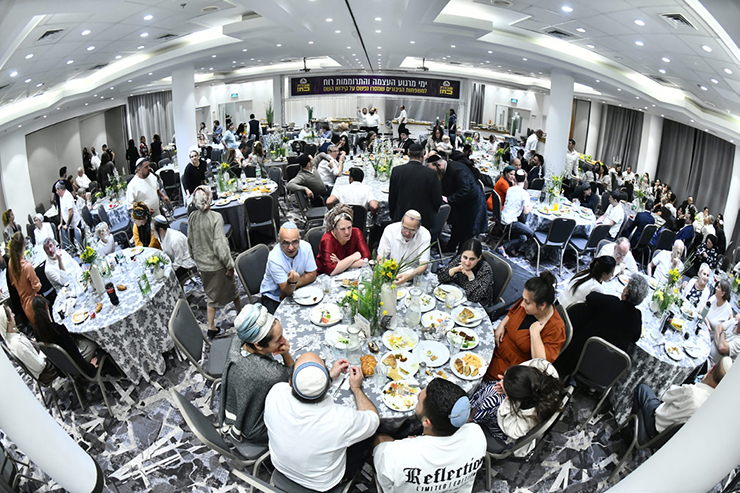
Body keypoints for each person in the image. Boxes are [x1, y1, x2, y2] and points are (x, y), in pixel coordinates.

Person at [263, 352, 380, 492]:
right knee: (367, 438)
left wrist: (326, 377)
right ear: (329, 385)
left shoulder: (276, 392)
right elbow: (373, 419)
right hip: (322, 485)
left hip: (282, 467)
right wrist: (356, 388)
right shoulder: (342, 420)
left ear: (290, 383)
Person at [373, 379, 486, 493]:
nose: (417, 396)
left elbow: (385, 484)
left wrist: (409, 446)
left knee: (380, 439)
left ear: (426, 422)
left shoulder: (394, 454)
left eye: (420, 399)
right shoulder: (477, 434)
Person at [219, 303, 293, 445]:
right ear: (258, 345)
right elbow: (292, 376)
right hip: (255, 428)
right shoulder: (269, 372)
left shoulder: (238, 341)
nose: (284, 340)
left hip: (237, 404)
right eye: (278, 339)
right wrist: (286, 354)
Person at [554, 274, 649, 377]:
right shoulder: (637, 316)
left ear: (626, 292)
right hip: (603, 369)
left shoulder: (612, 303)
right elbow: (635, 337)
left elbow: (590, 297)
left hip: (581, 356)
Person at [470, 358, 565, 454]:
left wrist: (508, 398)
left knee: (490, 400)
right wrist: (508, 380)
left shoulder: (530, 416)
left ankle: (471, 413)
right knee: (492, 392)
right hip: (516, 400)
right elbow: (524, 367)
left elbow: (513, 432)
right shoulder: (543, 367)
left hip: (505, 433)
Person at [485, 271, 565, 379]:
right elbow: (512, 312)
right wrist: (501, 326)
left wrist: (535, 333)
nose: (522, 304)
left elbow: (540, 365)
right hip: (497, 345)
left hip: (509, 367)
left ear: (542, 305)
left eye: (527, 302)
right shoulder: (527, 303)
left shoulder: (555, 328)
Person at [632, 357, 732, 443]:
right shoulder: (715, 407)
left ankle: (630, 433)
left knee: (643, 388)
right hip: (671, 441)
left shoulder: (691, 392)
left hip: (655, 425)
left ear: (712, 368)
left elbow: (666, 396)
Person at [187, 186, 242, 338]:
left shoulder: (192, 217)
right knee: (234, 291)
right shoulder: (216, 217)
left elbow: (189, 240)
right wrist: (229, 264)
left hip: (202, 264)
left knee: (210, 296)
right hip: (217, 265)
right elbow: (220, 244)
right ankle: (241, 315)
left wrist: (194, 257)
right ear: (210, 198)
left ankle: (211, 327)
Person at [426, 153, 486, 253]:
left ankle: (461, 254)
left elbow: (465, 189)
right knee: (456, 227)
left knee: (466, 232)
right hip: (460, 204)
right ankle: (451, 247)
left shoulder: (458, 170)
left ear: (439, 165)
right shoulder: (445, 169)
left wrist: (449, 199)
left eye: (434, 171)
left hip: (471, 204)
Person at [31, 295, 100, 377]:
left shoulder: (37, 333)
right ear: (47, 306)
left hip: (63, 366)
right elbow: (76, 355)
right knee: (93, 342)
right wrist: (91, 368)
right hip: (76, 365)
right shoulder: (58, 330)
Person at [260, 222, 318, 314]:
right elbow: (286, 290)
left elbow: (312, 275)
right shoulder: (274, 257)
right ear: (279, 241)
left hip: (295, 291)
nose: (291, 248)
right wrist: (288, 287)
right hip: (274, 297)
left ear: (299, 239)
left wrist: (292, 284)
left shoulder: (306, 247)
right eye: (286, 243)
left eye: (295, 242)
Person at [388, 143, 442, 231]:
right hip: (424, 219)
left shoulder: (397, 171)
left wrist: (393, 216)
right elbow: (436, 199)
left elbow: (392, 197)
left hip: (402, 216)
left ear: (408, 154)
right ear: (422, 155)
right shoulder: (431, 173)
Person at [0, 305, 56, 384]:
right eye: (11, 314)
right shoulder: (17, 344)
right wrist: (44, 351)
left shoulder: (11, 334)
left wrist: (33, 343)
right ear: (7, 321)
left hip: (40, 359)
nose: (14, 315)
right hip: (47, 371)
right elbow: (39, 366)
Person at [378, 210, 431, 285]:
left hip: (413, 275)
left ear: (419, 227)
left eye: (412, 230)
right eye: (405, 228)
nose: (407, 233)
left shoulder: (424, 235)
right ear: (401, 222)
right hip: (392, 273)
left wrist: (409, 276)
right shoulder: (390, 230)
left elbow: (423, 265)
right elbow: (380, 257)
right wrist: (390, 269)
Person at [436, 238, 494, 306]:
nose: (467, 263)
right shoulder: (459, 259)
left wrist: (471, 277)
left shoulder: (485, 270)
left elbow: (474, 297)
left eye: (472, 259)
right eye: (465, 257)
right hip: (461, 295)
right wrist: (454, 270)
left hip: (479, 304)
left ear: (479, 258)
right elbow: (440, 277)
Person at [316, 205, 371, 276]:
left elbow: (367, 259)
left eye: (349, 227)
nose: (347, 232)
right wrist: (354, 257)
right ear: (334, 229)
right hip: (325, 277)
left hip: (350, 274)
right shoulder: (327, 240)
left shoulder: (356, 232)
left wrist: (340, 263)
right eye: (342, 229)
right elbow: (331, 270)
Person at [498, 169, 534, 258]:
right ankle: (506, 247)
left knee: (523, 237)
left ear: (515, 178)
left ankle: (507, 247)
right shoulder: (525, 194)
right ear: (525, 179)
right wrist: (531, 205)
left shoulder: (510, 189)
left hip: (502, 218)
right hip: (511, 223)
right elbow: (526, 211)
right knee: (531, 233)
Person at [152, 216, 196, 281]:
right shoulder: (160, 236)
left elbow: (178, 262)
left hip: (185, 263)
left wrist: (168, 271)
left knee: (166, 279)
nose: (152, 233)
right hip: (175, 261)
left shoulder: (175, 240)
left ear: (160, 230)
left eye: (153, 230)